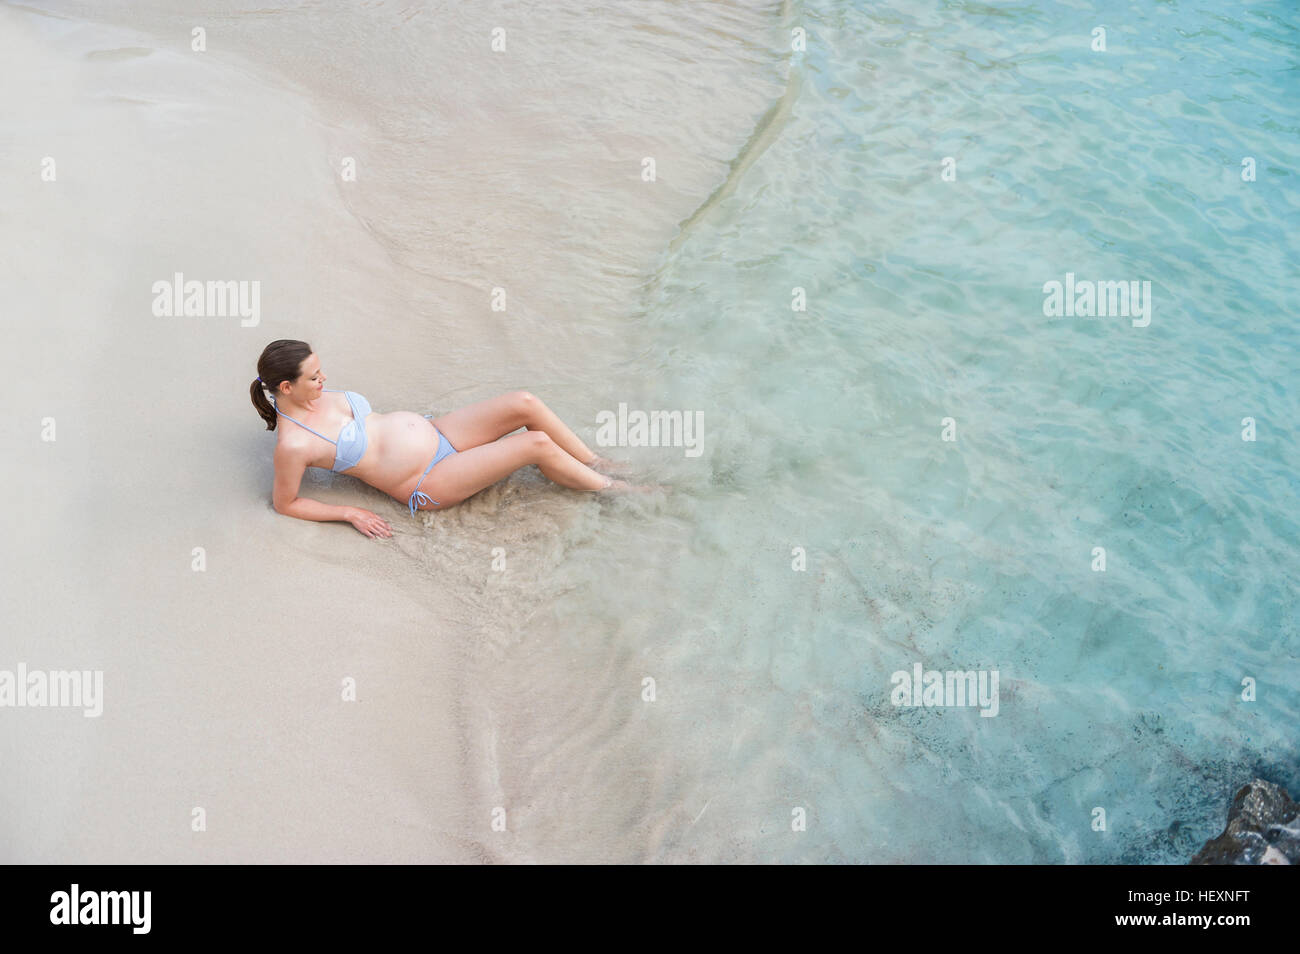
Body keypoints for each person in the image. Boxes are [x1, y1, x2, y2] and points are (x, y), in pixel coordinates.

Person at [249, 339, 635, 538]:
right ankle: (615, 489)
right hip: (428, 479)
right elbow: (286, 503)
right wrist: (348, 513)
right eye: (314, 376)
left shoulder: (313, 394)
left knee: (524, 402)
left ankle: (594, 462)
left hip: (438, 432)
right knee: (533, 445)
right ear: (286, 386)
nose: (324, 379)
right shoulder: (294, 445)